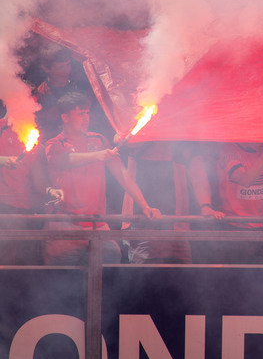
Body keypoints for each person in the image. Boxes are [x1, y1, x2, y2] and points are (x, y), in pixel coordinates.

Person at [43, 92, 161, 265]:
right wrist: (97, 155)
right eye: (80, 114)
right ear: (65, 117)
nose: (86, 118)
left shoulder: (98, 140)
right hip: (65, 225)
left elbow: (122, 174)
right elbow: (64, 161)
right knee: (63, 280)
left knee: (110, 266)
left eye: (87, 113)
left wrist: (144, 205)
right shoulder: (55, 144)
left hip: (97, 224)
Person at [0, 99, 48, 264]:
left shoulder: (30, 134)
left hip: (26, 211)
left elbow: (38, 180)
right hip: (3, 209)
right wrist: (2, 160)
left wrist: (50, 191)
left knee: (24, 264)